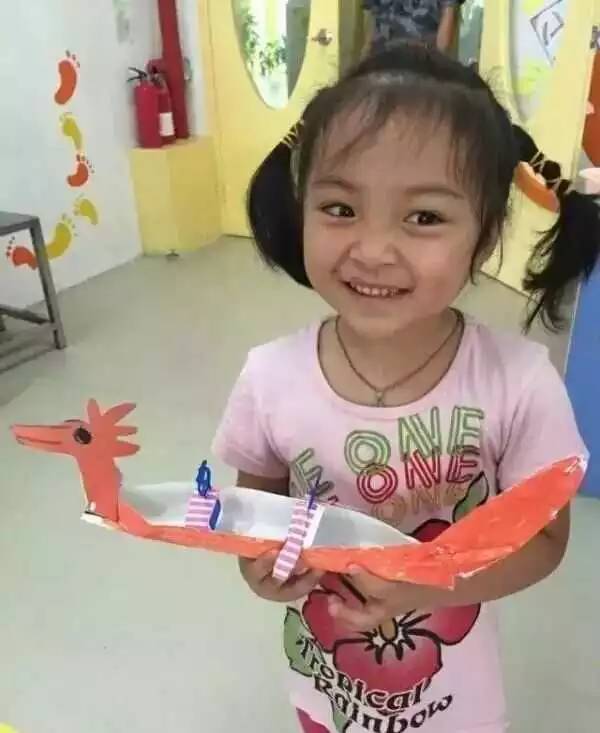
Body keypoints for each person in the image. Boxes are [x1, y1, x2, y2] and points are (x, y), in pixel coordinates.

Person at [213, 43, 597, 733]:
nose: (372, 250)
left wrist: (425, 583)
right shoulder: (269, 378)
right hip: (327, 688)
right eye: (340, 207)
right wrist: (261, 568)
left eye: (423, 217)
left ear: (484, 238)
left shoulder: (518, 383)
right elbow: (256, 517)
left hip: (458, 699)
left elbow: (543, 539)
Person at [362, 0, 463, 55]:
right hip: (382, 55)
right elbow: (372, 21)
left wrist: (438, 63)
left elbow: (444, 42)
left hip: (421, 58)